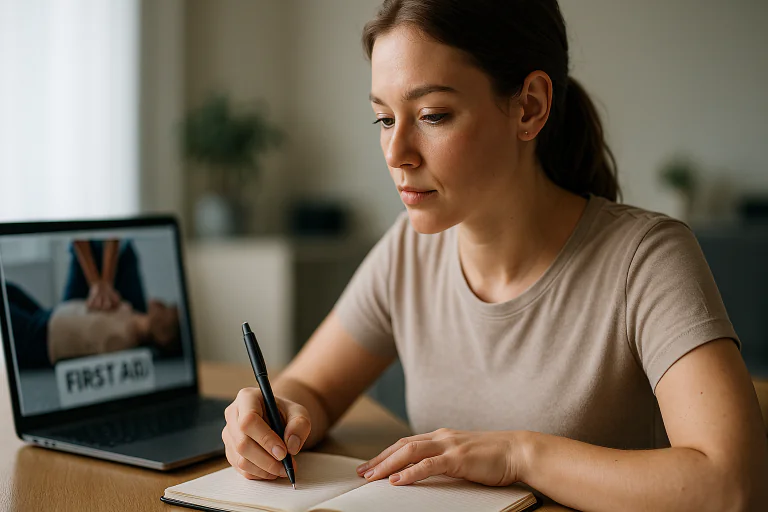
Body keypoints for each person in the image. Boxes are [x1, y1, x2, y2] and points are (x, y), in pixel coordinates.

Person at [222, 1, 768, 510]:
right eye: (385, 119)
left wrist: (518, 455)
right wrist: (271, 415)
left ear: (529, 107)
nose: (396, 152)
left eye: (432, 115)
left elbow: (733, 483)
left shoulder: (646, 260)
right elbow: (312, 388)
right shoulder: (410, 250)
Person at [7, 281, 181, 369]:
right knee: (8, 289)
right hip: (48, 315)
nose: (169, 306)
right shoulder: (131, 312)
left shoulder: (125, 340)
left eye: (170, 312)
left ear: (163, 336)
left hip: (40, 338)